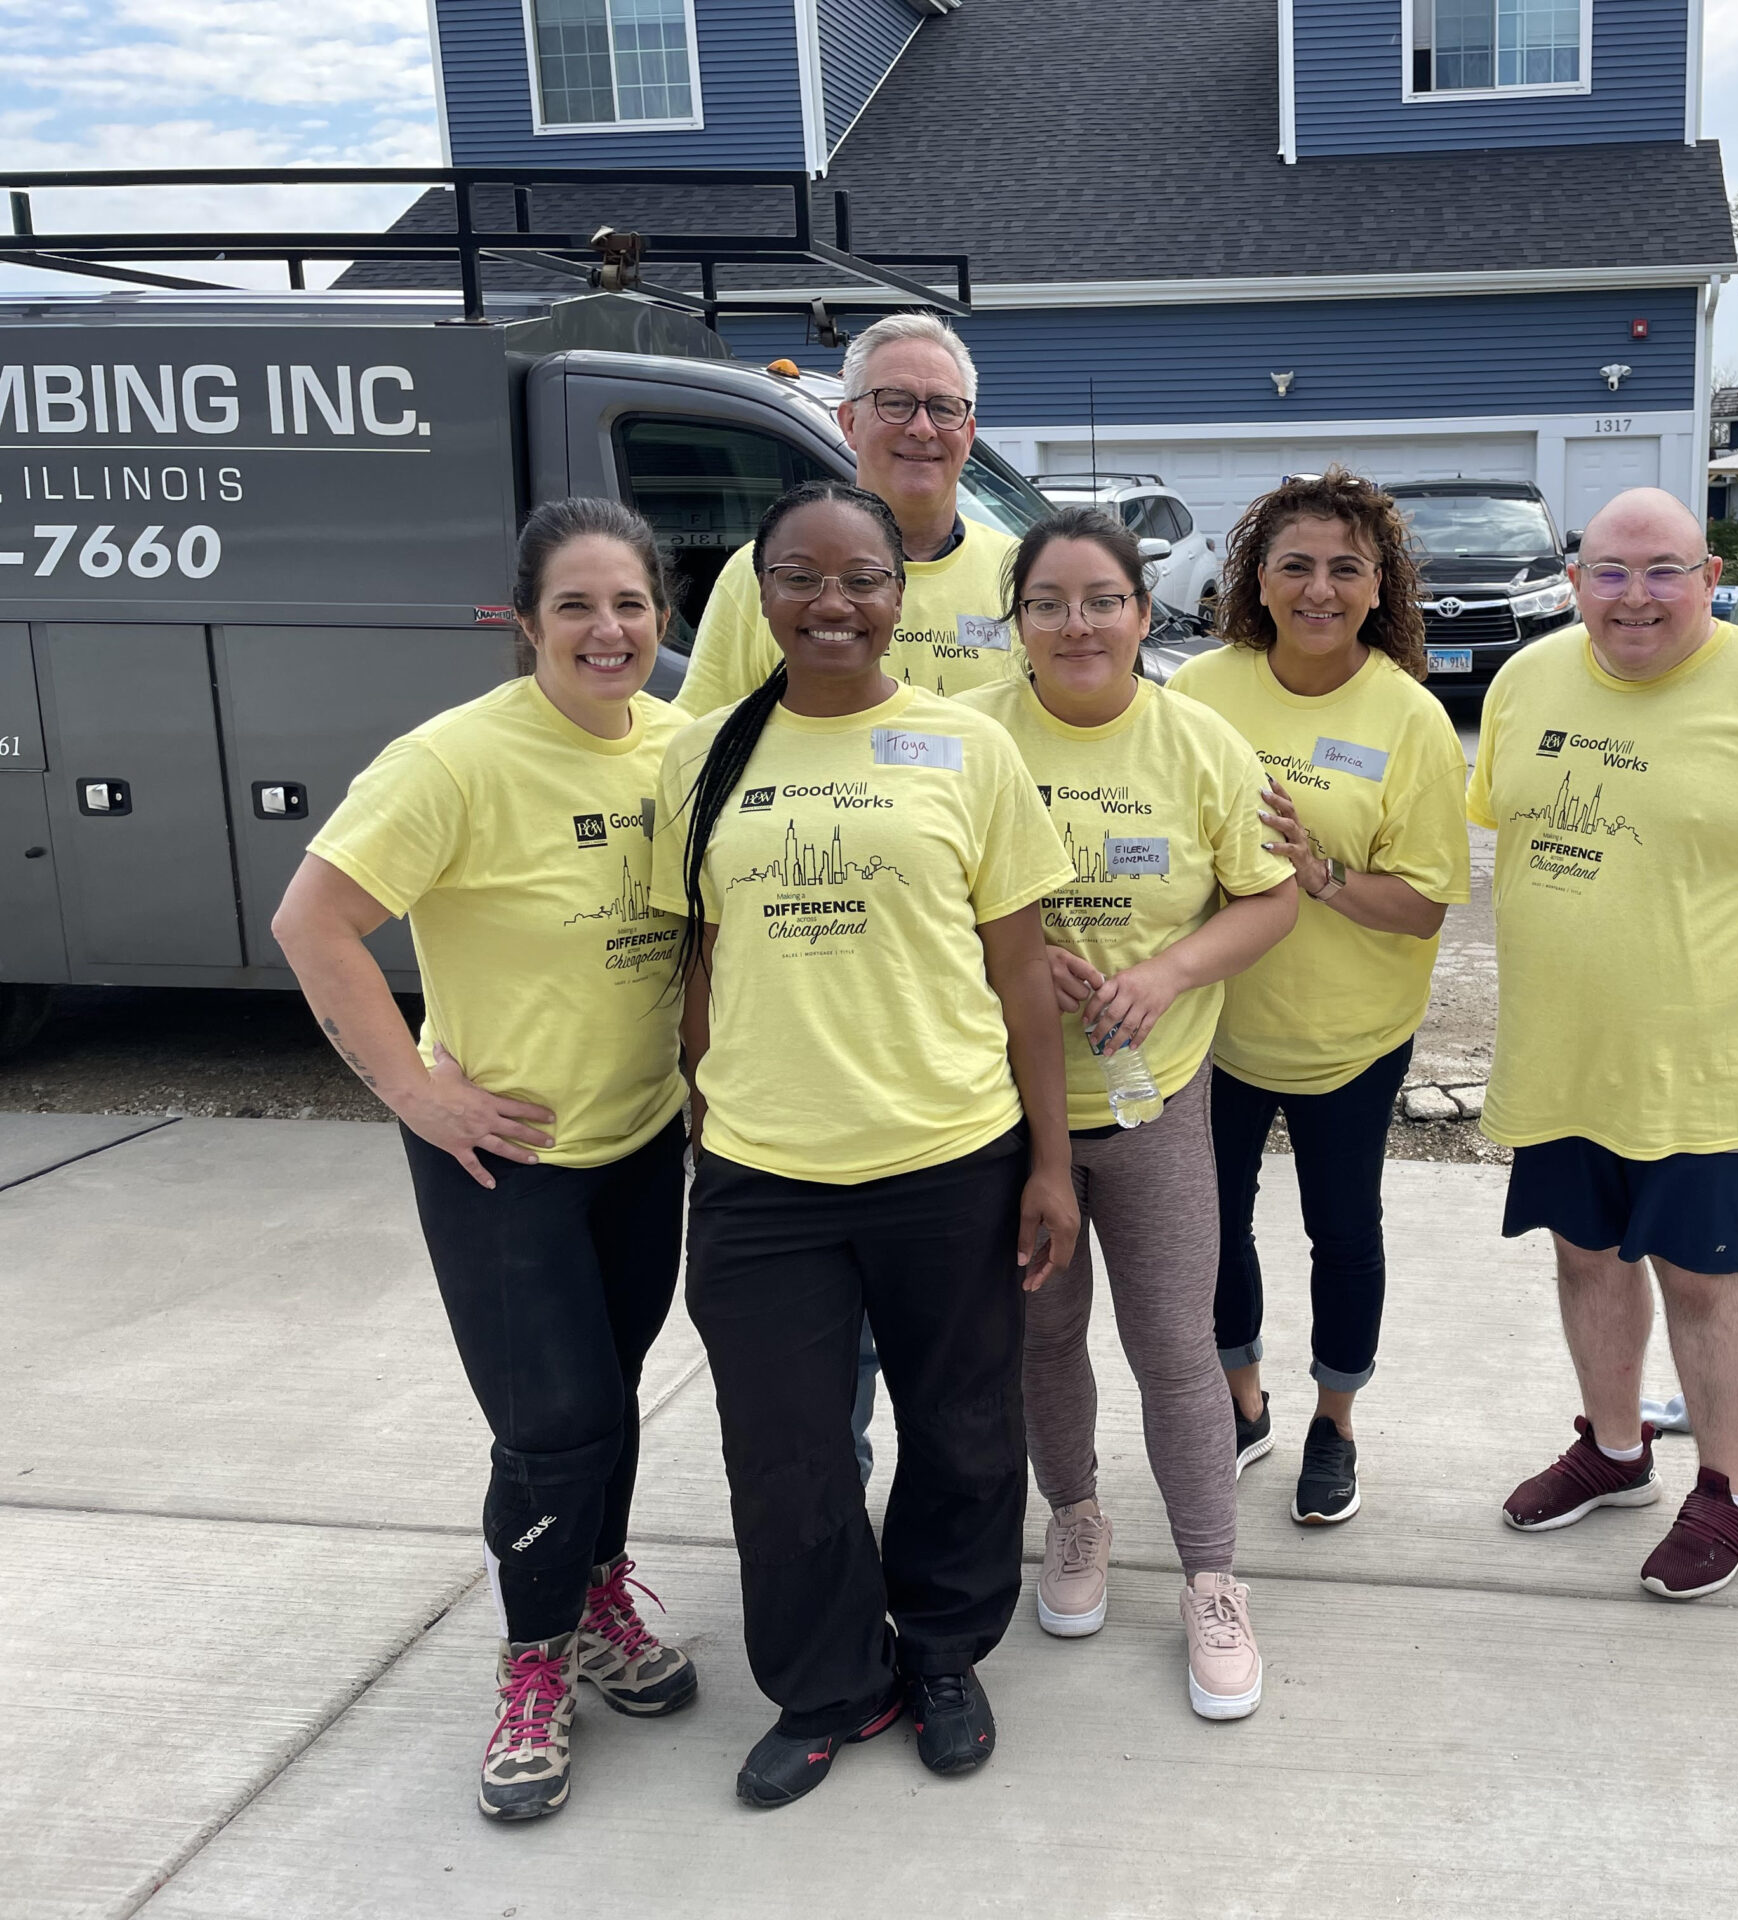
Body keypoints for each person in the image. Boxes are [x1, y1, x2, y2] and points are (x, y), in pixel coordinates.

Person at [652, 480, 1076, 1808]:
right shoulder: (702, 753)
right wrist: (705, 1115)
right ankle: (830, 1682)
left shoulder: (968, 750)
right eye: (801, 577)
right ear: (760, 591)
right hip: (765, 1175)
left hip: (950, 1154)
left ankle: (945, 1654)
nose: (833, 603)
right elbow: (699, 957)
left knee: (960, 1430)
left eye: (862, 580)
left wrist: (1052, 1165)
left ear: (901, 596)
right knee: (786, 1452)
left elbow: (1022, 975)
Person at [273, 499, 698, 1823]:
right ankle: (534, 1656)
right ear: (524, 626)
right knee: (552, 1418)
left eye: (627, 603)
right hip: (502, 1157)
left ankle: (596, 1591)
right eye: (574, 605)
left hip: (638, 1136)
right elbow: (314, 921)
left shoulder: (684, 749)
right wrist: (416, 1091)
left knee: (609, 1392)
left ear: (661, 618)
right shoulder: (452, 761)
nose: (606, 628)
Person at [1478, 487, 1738, 1601]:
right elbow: (1508, 822)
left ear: (1710, 579)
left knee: (1702, 1277)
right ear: (1572, 583)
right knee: (1583, 1254)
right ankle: (1615, 1451)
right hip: (1559, 1052)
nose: (1634, 597)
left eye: (1664, 570)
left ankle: (1727, 1493)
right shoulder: (1527, 682)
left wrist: (1708, 938)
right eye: (1608, 571)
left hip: (1701, 1067)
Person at [959, 506, 1297, 1718]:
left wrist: (1165, 974)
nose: (1075, 623)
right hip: (1003, 1110)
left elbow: (1267, 902)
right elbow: (928, 895)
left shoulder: (1201, 744)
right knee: (1043, 1339)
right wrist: (1004, 955)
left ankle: (1212, 1577)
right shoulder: (967, 738)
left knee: (1171, 1346)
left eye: (1101, 599)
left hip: (1154, 1103)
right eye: (1045, 602)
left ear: (1144, 615)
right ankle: (1077, 1517)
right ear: (1017, 624)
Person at [1169, 468, 1471, 1525]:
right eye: (1294, 564)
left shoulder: (1409, 718)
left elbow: (1427, 906)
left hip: (1351, 1035)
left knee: (1343, 1232)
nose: (1318, 588)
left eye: (1345, 567)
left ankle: (1333, 1422)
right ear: (1256, 576)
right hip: (1216, 1022)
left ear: (1379, 582)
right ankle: (1243, 1402)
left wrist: (1323, 877)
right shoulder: (1200, 692)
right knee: (1214, 1228)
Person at [676, 312, 1023, 712]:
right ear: (850, 422)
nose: (923, 428)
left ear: (968, 433)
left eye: (944, 408)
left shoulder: (1020, 577)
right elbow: (701, 738)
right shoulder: (761, 574)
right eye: (896, 403)